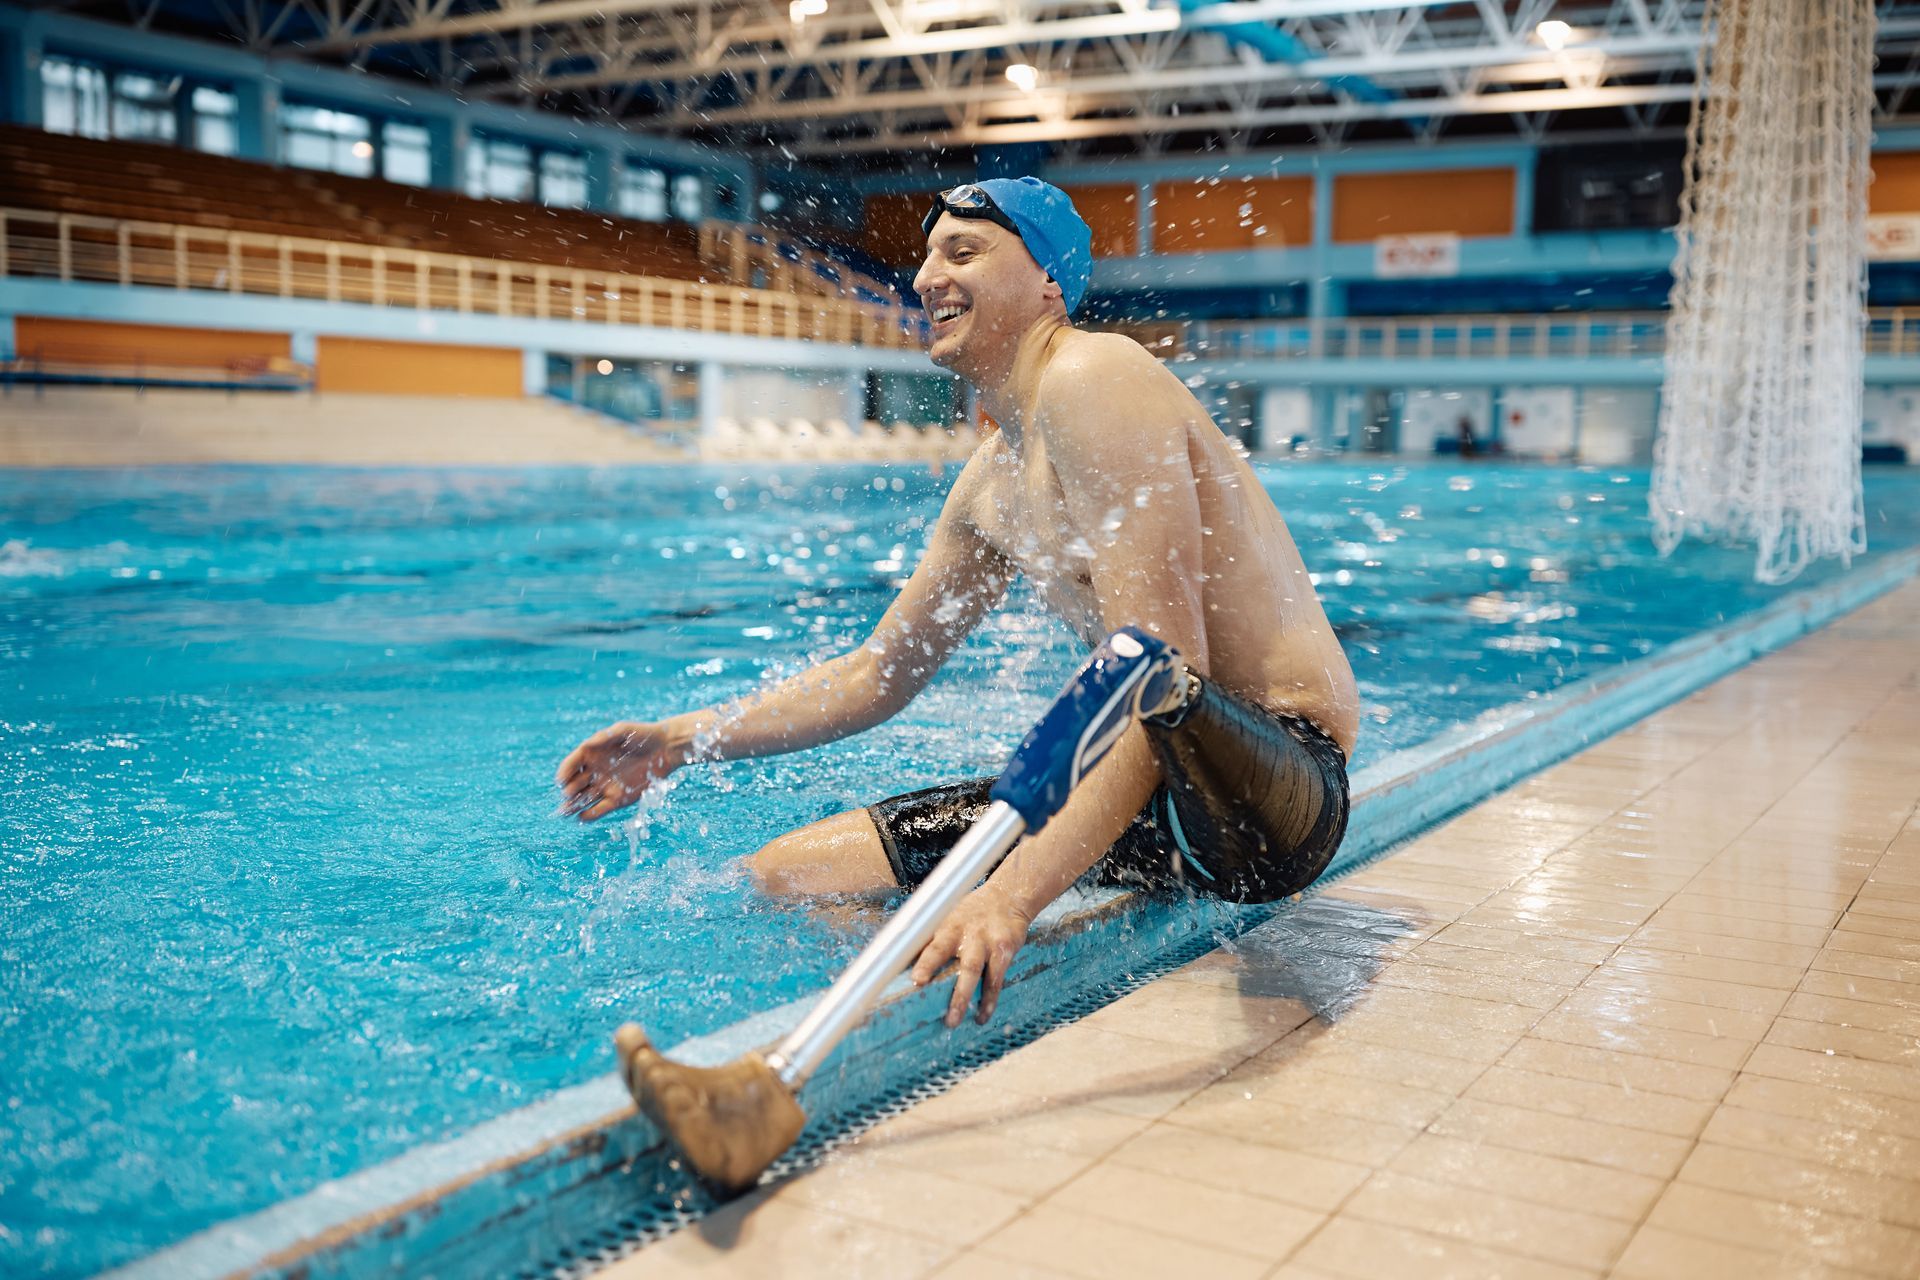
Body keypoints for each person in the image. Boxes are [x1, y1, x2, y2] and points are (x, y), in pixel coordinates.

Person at [557, 177, 1359, 1030]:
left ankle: (994, 948)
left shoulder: (1097, 377)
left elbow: (1164, 676)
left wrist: (1010, 895)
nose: (927, 276)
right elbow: (877, 674)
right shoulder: (991, 480)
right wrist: (681, 740)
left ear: (1048, 280)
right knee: (785, 876)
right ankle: (941, 1026)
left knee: (1132, 701)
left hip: (1275, 789)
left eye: (964, 252)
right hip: (1162, 799)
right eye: (928, 253)